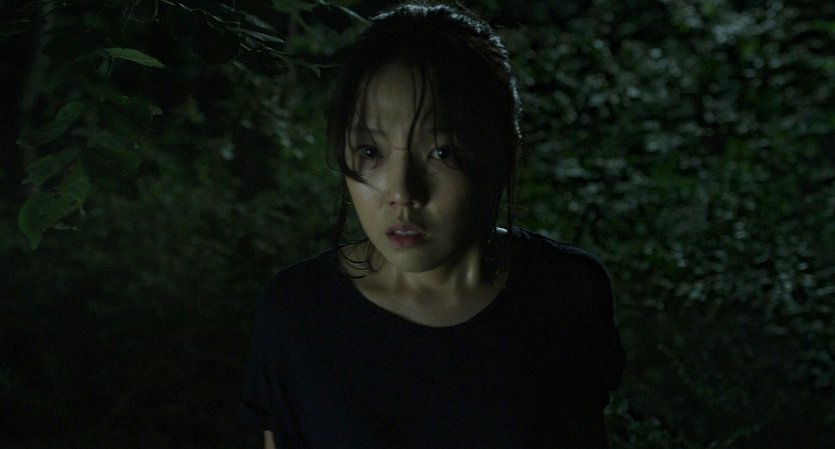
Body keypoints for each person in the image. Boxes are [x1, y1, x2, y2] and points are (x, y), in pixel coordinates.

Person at [240, 3, 625, 448]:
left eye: (442, 152)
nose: (403, 192)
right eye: (370, 152)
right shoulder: (300, 314)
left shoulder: (564, 293)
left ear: (503, 152)